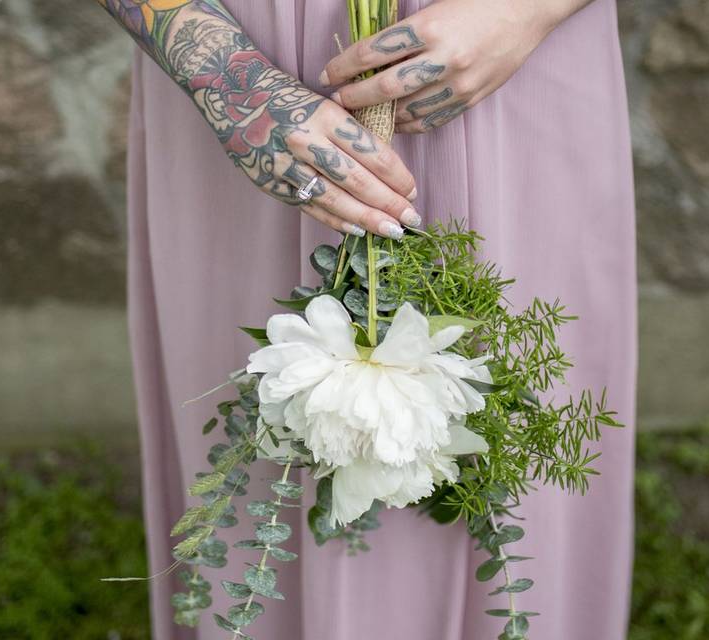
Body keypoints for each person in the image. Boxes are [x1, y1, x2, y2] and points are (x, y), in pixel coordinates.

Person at [97, 0, 637, 638]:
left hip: (508, 61)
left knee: (524, 432)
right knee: (256, 437)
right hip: (240, 61)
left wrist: (522, 13)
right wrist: (230, 81)